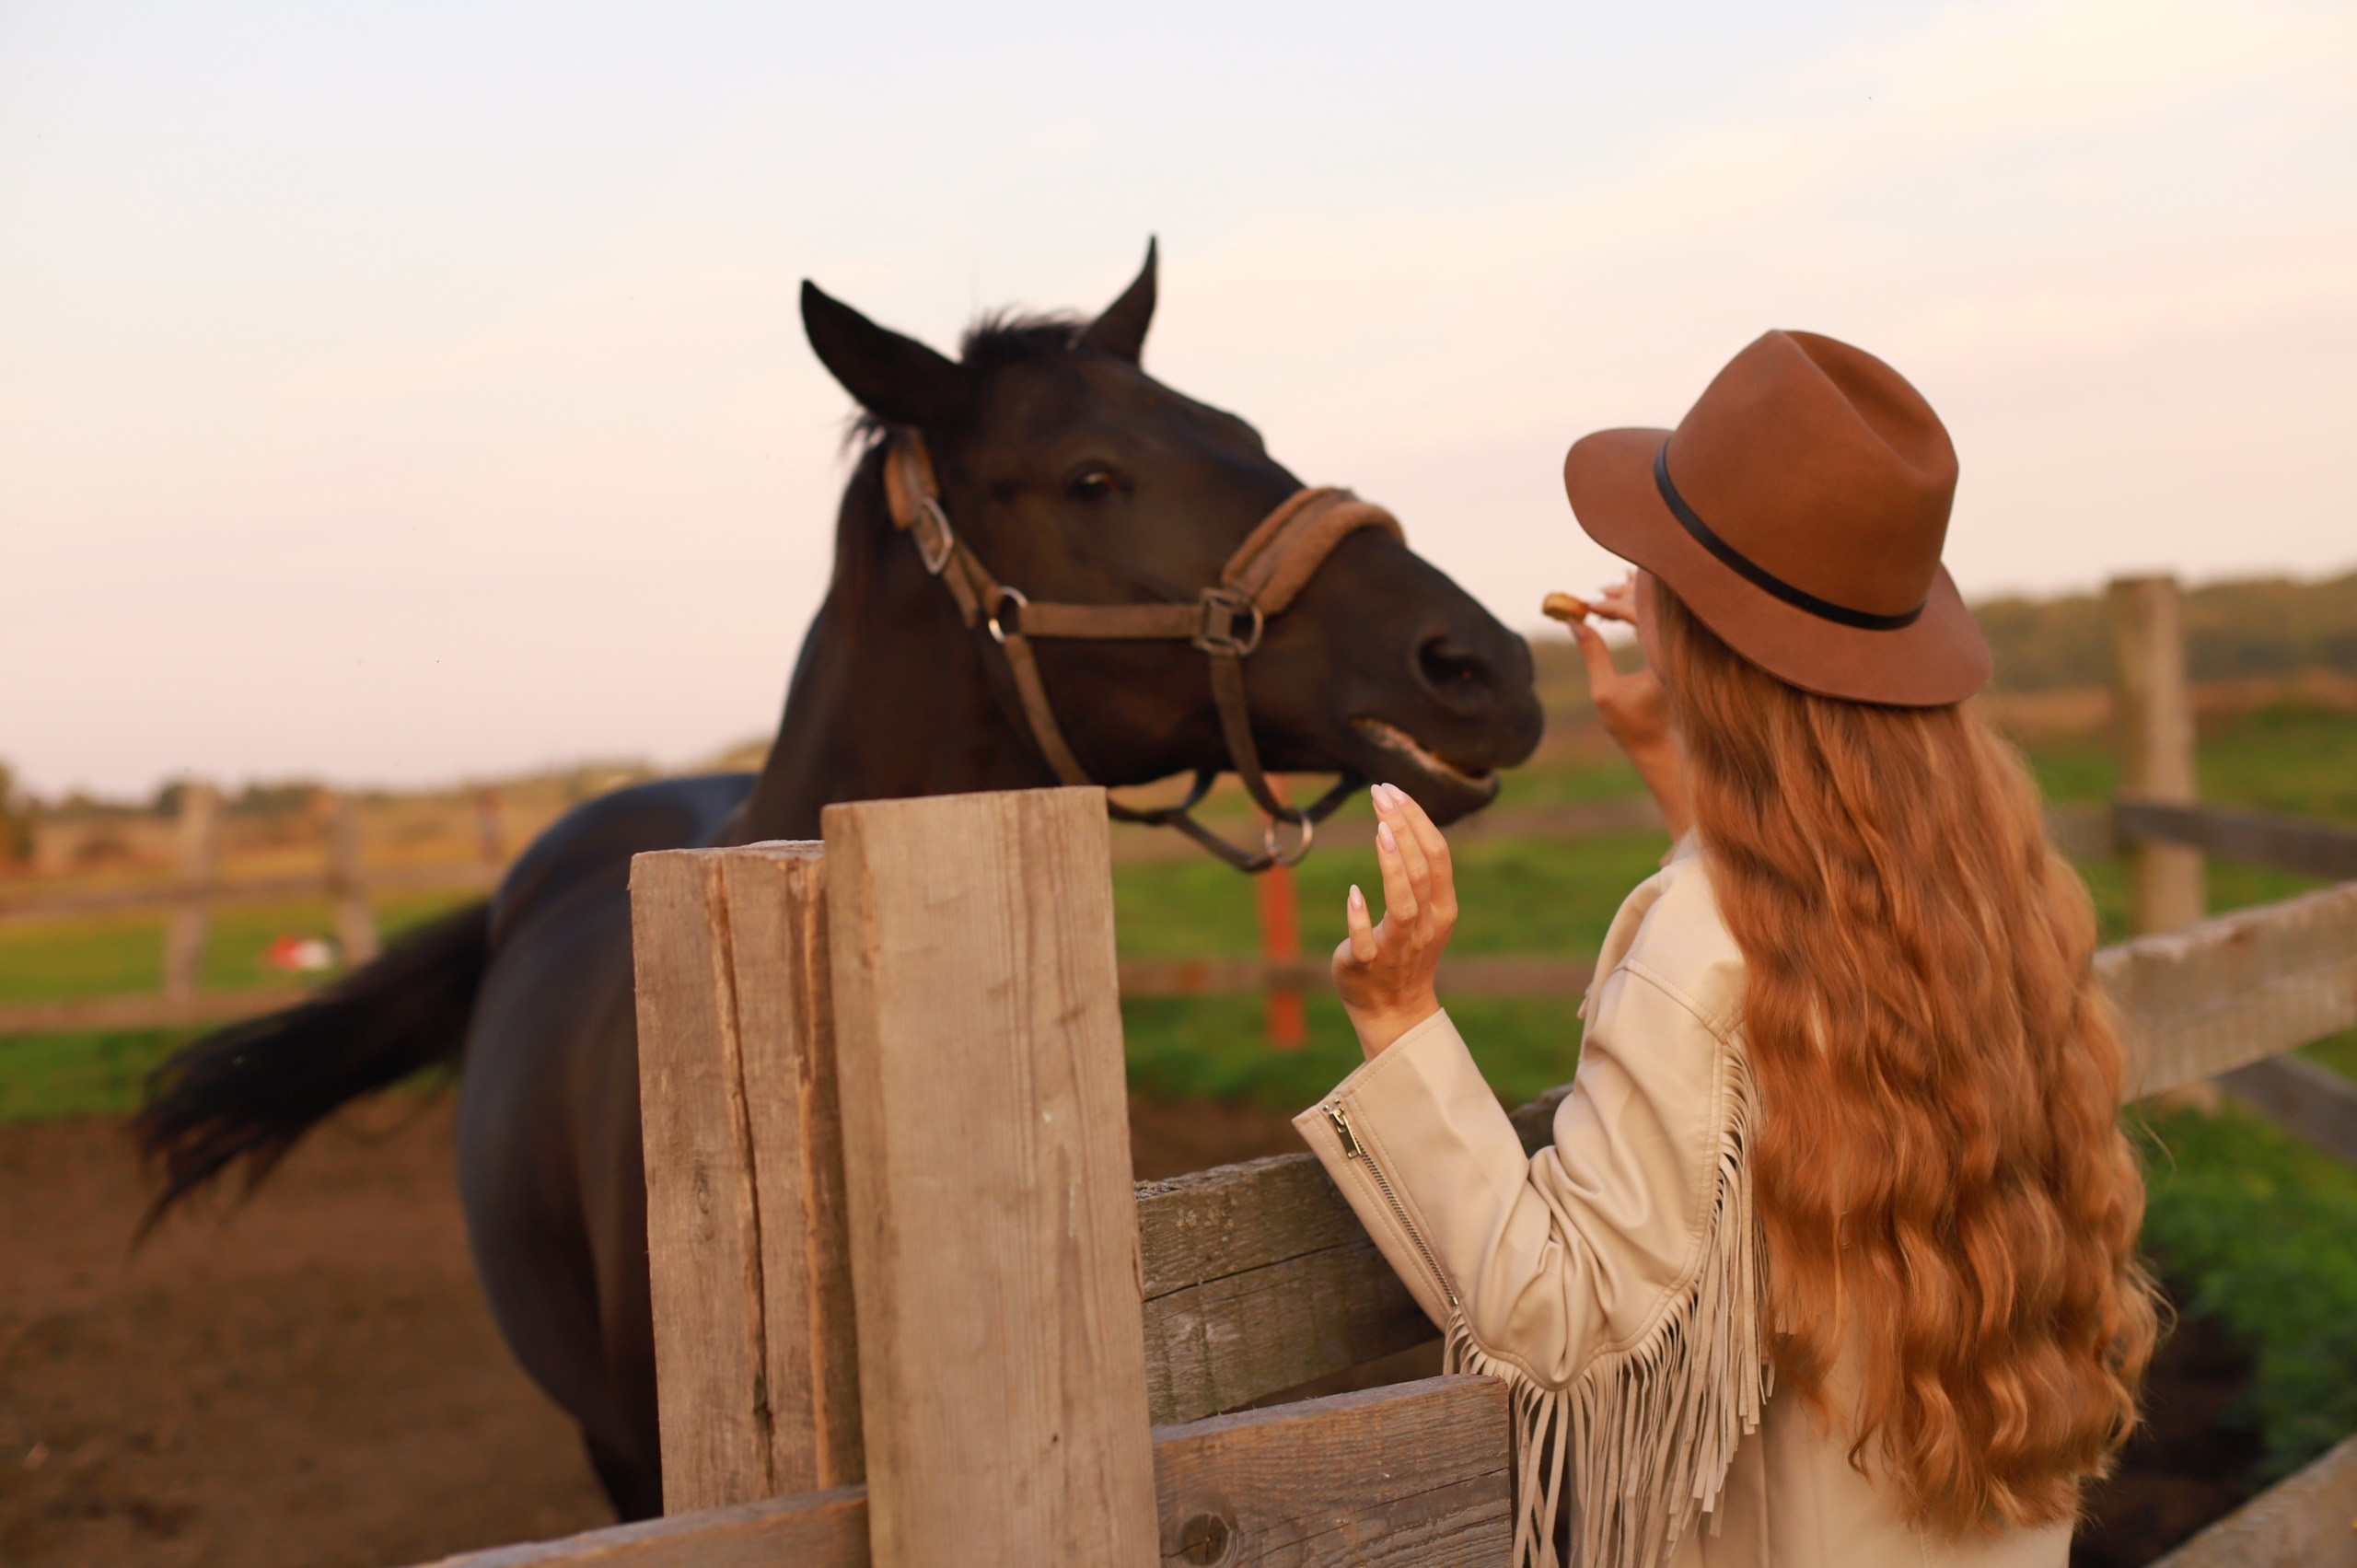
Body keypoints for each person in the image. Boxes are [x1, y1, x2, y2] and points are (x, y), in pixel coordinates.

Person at [1302, 331, 2159, 1568]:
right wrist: (1680, 765)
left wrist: (1398, 1018)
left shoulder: (1707, 937)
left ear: (1702, 633)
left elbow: (1564, 1318)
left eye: (1653, 566)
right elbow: (1800, 982)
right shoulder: (1990, 882)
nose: (1625, 584)